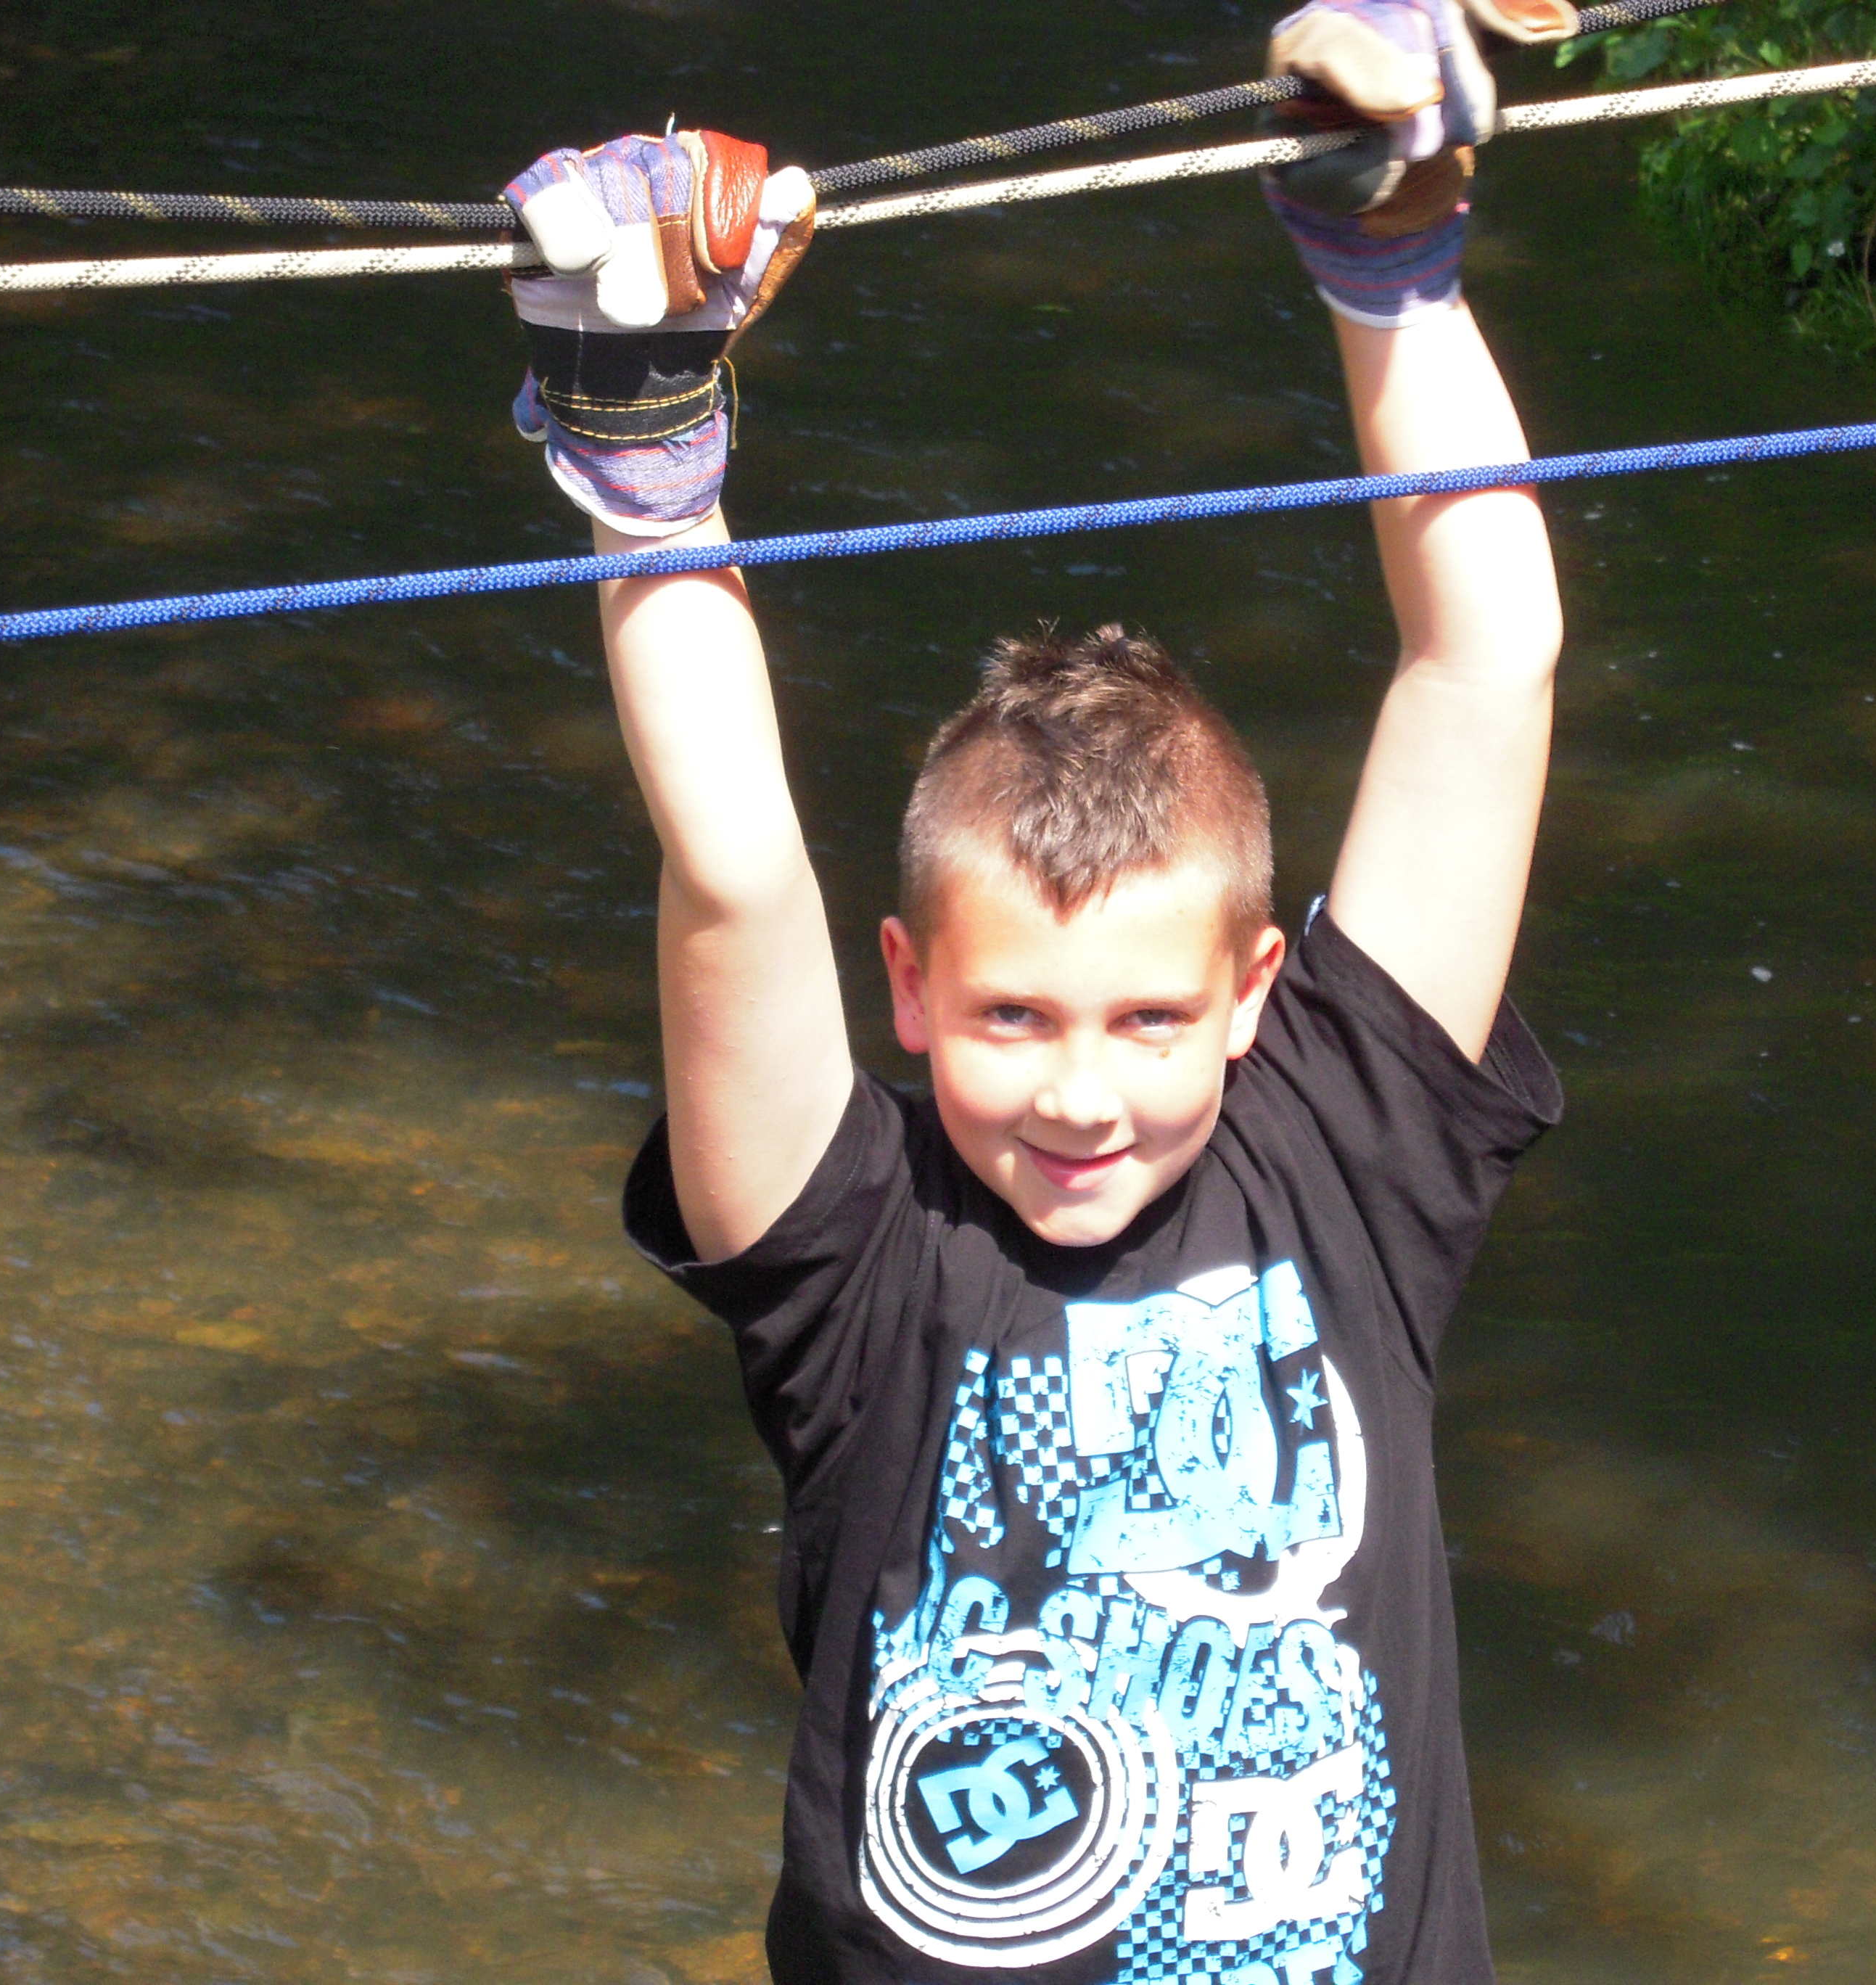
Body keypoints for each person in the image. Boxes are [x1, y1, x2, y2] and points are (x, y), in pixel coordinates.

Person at [500, 1, 1565, 1978]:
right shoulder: (856, 1261)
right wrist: (649, 452)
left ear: (1252, 989)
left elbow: (1483, 663)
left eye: (1149, 1019)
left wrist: (1392, 253)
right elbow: (733, 867)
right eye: (1013, 1017)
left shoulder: (1345, 1152)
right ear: (906, 990)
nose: (1084, 1093)